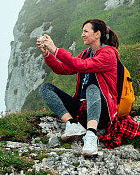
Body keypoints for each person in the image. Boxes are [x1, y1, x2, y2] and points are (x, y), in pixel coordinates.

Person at [37, 19, 120, 157]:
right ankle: (72, 123)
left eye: (86, 31)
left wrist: (56, 50)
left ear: (97, 34)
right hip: (83, 109)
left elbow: (82, 66)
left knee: (92, 88)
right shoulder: (87, 53)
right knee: (46, 88)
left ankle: (91, 136)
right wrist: (47, 54)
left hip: (102, 111)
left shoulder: (108, 54)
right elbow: (63, 68)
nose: (82, 35)